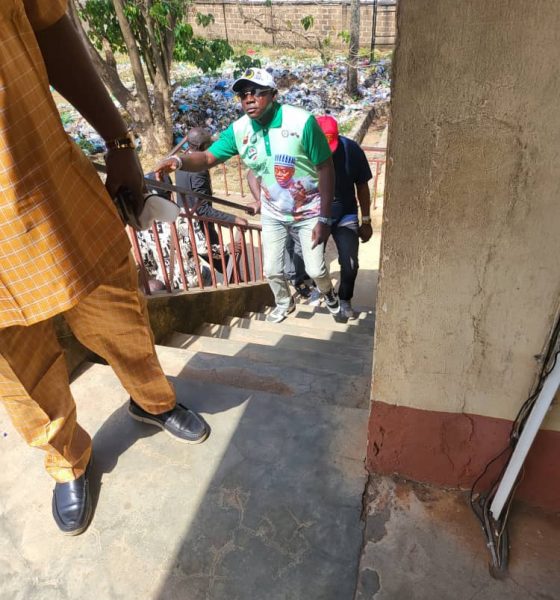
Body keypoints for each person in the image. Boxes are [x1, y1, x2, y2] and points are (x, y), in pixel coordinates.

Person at [0, 1, 209, 537]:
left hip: (50, 186)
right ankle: (67, 460)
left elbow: (49, 25)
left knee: (118, 313)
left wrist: (119, 141)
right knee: (17, 370)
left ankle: (152, 401)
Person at [155, 68, 340, 323]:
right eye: (243, 95)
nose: (249, 99)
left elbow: (325, 167)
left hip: (309, 210)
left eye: (256, 92)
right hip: (274, 212)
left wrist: (324, 218)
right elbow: (208, 157)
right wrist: (178, 161)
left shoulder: (302, 122)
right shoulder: (240, 130)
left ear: (273, 94)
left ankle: (328, 293)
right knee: (271, 270)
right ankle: (284, 302)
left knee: (315, 269)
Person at [316, 115, 373, 320]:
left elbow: (362, 186)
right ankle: (321, 290)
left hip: (346, 213)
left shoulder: (352, 150)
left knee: (350, 262)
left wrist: (366, 221)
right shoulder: (304, 150)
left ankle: (345, 299)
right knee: (312, 259)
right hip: (316, 214)